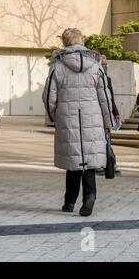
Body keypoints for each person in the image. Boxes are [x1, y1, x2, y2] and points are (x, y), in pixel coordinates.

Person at [42, 28, 113, 217]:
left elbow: (49, 96)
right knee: (88, 160)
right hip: (93, 117)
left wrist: (53, 117)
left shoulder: (58, 66)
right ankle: (89, 197)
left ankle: (69, 201)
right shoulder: (96, 65)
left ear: (65, 43)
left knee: (73, 158)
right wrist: (108, 121)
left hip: (68, 117)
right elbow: (104, 96)